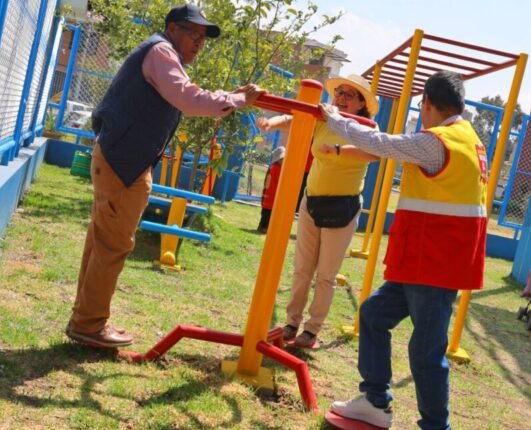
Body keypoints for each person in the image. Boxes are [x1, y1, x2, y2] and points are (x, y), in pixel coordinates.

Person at [66, 3, 265, 348]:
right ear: (172, 28)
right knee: (112, 245)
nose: (199, 42)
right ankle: (88, 324)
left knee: (103, 243)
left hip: (121, 159)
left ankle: (86, 319)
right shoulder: (161, 51)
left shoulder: (162, 53)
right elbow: (189, 100)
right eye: (193, 33)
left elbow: (184, 95)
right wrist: (238, 98)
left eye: (203, 37)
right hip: (122, 163)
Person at [321, 71, 488, 429]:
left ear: (427, 104)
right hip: (425, 261)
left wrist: (335, 121)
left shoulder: (436, 142)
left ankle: (434, 425)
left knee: (425, 352)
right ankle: (375, 400)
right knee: (373, 314)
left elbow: (383, 143)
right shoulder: (468, 139)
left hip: (433, 262)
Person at [257, 74, 380, 348]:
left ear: (362, 104)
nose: (342, 98)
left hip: (343, 206)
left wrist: (338, 150)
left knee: (325, 274)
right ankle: (291, 323)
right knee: (302, 268)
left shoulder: (365, 127)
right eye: (340, 93)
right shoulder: (325, 117)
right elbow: (295, 118)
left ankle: (312, 330)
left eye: (350, 95)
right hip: (312, 201)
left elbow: (374, 153)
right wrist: (271, 123)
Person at [258, 146, 286, 234]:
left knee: (267, 211)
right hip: (271, 193)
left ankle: (263, 226)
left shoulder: (274, 167)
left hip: (269, 193)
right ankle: (264, 227)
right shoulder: (276, 168)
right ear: (279, 159)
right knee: (268, 212)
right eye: (283, 159)